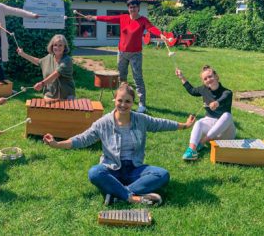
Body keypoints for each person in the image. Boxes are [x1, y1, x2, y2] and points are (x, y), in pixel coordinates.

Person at [43, 83, 195, 205]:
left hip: (135, 169)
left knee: (162, 174)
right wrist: (57, 144)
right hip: (111, 169)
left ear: (132, 103)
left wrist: (184, 125)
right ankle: (132, 197)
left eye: (127, 101)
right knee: (94, 173)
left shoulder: (141, 119)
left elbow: (162, 123)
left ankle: (118, 194)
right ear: (114, 100)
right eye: (120, 100)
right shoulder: (103, 123)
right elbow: (82, 139)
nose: (123, 104)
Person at [86, 0, 166, 113]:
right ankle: (122, 98)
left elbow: (151, 28)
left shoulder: (143, 20)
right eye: (130, 7)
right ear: (128, 8)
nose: (132, 9)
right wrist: (94, 17)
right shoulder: (123, 18)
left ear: (138, 8)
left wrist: (160, 34)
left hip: (136, 54)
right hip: (122, 53)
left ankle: (142, 104)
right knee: (121, 77)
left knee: (138, 78)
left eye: (134, 7)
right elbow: (108, 18)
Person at [175, 65, 236, 161]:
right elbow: (192, 91)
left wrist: (216, 102)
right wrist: (181, 77)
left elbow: (224, 98)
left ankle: (203, 142)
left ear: (216, 76)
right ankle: (191, 150)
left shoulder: (227, 92)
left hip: (225, 135)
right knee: (199, 122)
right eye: (205, 79)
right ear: (204, 81)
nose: (208, 80)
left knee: (227, 115)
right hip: (211, 128)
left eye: (210, 76)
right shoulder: (203, 89)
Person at [17, 34, 75, 100]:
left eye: (60, 45)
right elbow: (39, 61)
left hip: (66, 96)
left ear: (64, 47)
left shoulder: (67, 60)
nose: (57, 47)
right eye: (55, 45)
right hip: (50, 94)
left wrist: (42, 84)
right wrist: (23, 54)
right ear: (52, 46)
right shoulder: (49, 57)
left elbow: (56, 74)